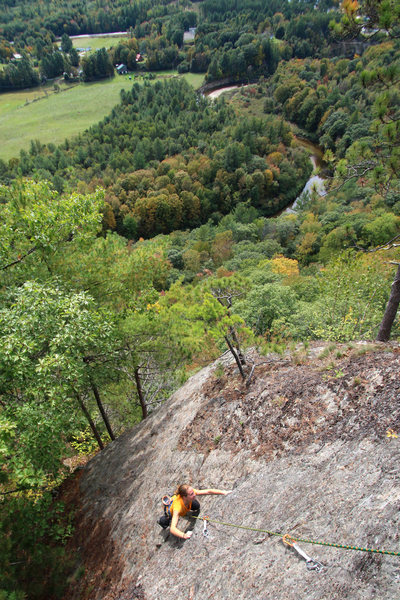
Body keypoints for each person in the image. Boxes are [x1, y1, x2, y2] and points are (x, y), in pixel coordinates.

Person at [159, 484, 231, 539]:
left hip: (185, 504)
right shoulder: (177, 508)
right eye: (191, 494)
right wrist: (184, 535)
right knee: (165, 521)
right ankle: (163, 521)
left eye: (193, 492)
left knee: (196, 506)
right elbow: (172, 529)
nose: (194, 494)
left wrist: (223, 492)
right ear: (184, 497)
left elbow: (208, 491)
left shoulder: (190, 493)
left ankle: (185, 508)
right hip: (171, 511)